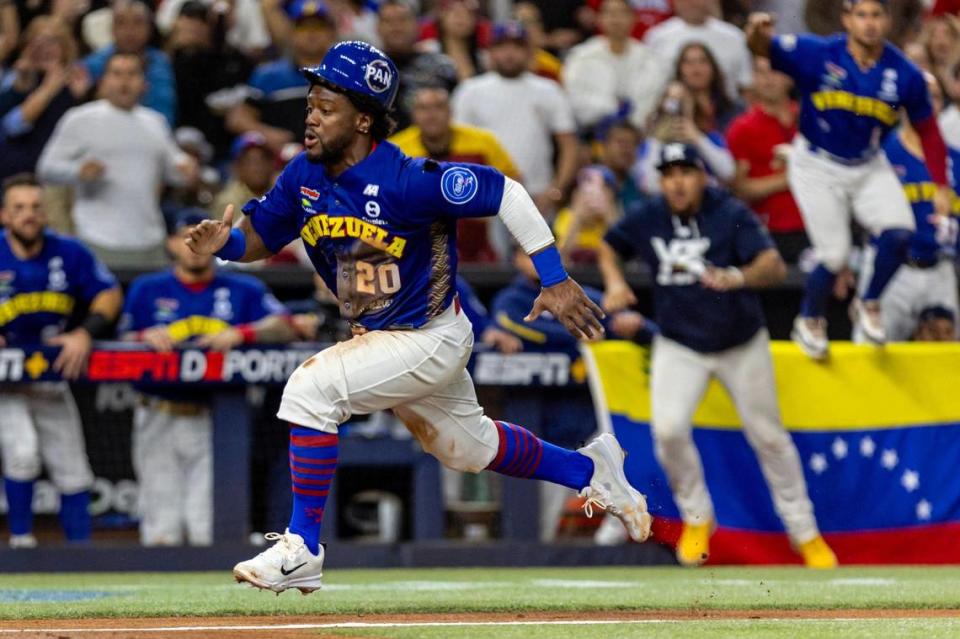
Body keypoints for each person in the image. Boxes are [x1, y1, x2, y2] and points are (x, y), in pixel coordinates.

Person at [185, 41, 651, 593]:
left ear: (363, 119)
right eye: (310, 103)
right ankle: (592, 473)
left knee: (310, 390)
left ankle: (303, 546)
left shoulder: (408, 178)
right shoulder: (303, 175)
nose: (311, 115)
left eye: (326, 107)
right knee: (467, 447)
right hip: (387, 337)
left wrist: (554, 277)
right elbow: (262, 236)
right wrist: (227, 244)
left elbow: (507, 191)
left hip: (427, 334)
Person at [597, 143, 836, 569]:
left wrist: (738, 276)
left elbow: (774, 266)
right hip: (679, 342)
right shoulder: (649, 215)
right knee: (668, 430)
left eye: (686, 172)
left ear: (702, 176)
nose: (677, 182)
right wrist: (615, 282)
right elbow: (608, 246)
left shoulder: (730, 212)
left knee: (768, 435)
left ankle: (805, 533)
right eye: (669, 174)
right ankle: (696, 516)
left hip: (740, 341)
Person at [745, 1, 952, 359]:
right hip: (816, 162)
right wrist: (755, 35)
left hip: (868, 164)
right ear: (846, 19)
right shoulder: (820, 52)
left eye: (876, 15)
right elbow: (767, 48)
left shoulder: (903, 73)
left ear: (887, 20)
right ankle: (809, 318)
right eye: (862, 15)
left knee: (900, 231)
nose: (869, 24)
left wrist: (941, 187)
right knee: (834, 254)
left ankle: (869, 302)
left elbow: (929, 132)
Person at [119, 211, 295, 546]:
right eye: (186, 236)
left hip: (219, 420)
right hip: (158, 412)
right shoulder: (148, 288)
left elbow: (285, 325)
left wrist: (242, 333)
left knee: (209, 528)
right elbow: (119, 341)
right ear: (171, 242)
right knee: (161, 529)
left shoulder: (242, 287)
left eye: (202, 235)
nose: (193, 245)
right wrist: (143, 338)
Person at [0, 173, 122, 549]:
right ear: (4, 215)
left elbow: (109, 293)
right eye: (19, 208)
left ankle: (80, 556)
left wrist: (85, 331)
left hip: (51, 372)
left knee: (74, 470)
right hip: (4, 378)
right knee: (22, 454)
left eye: (36, 207)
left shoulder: (68, 251)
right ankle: (21, 542)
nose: (29, 215)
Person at [37, 52, 197, 270]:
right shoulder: (80, 119)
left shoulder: (155, 122)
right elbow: (46, 168)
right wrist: (78, 171)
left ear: (144, 84)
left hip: (149, 240)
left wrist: (187, 169)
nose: (124, 81)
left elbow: (174, 170)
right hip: (97, 238)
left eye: (132, 74)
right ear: (103, 81)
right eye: (117, 74)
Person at [853, 75, 959, 342]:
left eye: (935, 96)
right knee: (873, 347)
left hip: (940, 268)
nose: (928, 103)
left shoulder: (954, 158)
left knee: (946, 359)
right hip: (892, 268)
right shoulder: (880, 155)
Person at [452, 22, 579, 216]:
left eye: (517, 46)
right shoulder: (470, 91)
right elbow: (457, 149)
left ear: (529, 51)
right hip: (483, 196)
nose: (509, 53)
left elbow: (569, 145)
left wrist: (556, 191)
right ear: (490, 51)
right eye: (501, 46)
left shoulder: (548, 90)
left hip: (537, 196)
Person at [390, 84, 520, 262]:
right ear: (413, 114)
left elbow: (513, 184)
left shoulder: (483, 142)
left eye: (439, 107)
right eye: (423, 108)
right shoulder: (397, 149)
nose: (431, 115)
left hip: (481, 246)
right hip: (418, 247)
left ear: (451, 111)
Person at [726, 56, 807, 263]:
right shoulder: (741, 128)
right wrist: (792, 176)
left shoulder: (812, 119)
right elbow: (741, 188)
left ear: (790, 77)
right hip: (768, 231)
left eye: (774, 70)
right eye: (760, 72)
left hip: (814, 225)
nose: (768, 79)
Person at [226, 1, 336, 152]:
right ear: (292, 33)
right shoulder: (268, 75)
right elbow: (238, 119)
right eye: (303, 27)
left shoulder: (345, 75)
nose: (312, 33)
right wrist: (268, 134)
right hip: (282, 162)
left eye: (319, 27)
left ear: (331, 32)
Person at [0, 16, 89, 180]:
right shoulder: (17, 78)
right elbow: (13, 126)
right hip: (16, 171)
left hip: (59, 174)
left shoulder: (77, 81)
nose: (44, 49)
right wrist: (48, 88)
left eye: (52, 42)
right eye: (38, 42)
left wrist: (80, 97)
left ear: (65, 47)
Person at [562, 0, 667, 133]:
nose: (616, 19)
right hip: (593, 134)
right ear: (599, 19)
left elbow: (653, 99)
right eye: (610, 13)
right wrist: (613, 110)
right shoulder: (580, 57)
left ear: (634, 18)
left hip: (640, 134)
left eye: (622, 13)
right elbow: (576, 101)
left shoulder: (650, 59)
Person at [83, 0, 177, 127]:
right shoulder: (91, 65)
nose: (129, 30)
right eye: (121, 23)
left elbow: (164, 118)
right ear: (112, 28)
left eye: (138, 22)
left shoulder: (161, 63)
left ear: (149, 28)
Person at [637, 81, 736, 194]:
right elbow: (649, 186)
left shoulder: (709, 138)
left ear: (692, 104)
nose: (676, 106)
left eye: (682, 100)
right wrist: (657, 141)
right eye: (671, 99)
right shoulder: (651, 145)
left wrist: (697, 138)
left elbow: (729, 173)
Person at [644, 0, 754, 101]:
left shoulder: (734, 37)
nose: (693, 3)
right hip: (672, 110)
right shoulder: (657, 37)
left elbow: (746, 85)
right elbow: (648, 84)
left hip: (726, 114)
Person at [376, 0, 458, 131]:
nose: (396, 27)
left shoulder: (440, 66)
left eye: (402, 20)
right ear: (377, 28)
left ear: (417, 25)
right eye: (388, 21)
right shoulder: (367, 70)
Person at [674, 41, 744, 134]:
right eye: (688, 62)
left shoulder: (735, 109)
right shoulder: (671, 108)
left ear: (713, 68)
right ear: (680, 70)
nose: (696, 68)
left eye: (702, 61)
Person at [209, 132, 277, 221]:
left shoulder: (281, 193)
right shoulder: (228, 202)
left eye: (263, 160)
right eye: (250, 162)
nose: (258, 167)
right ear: (237, 167)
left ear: (271, 164)